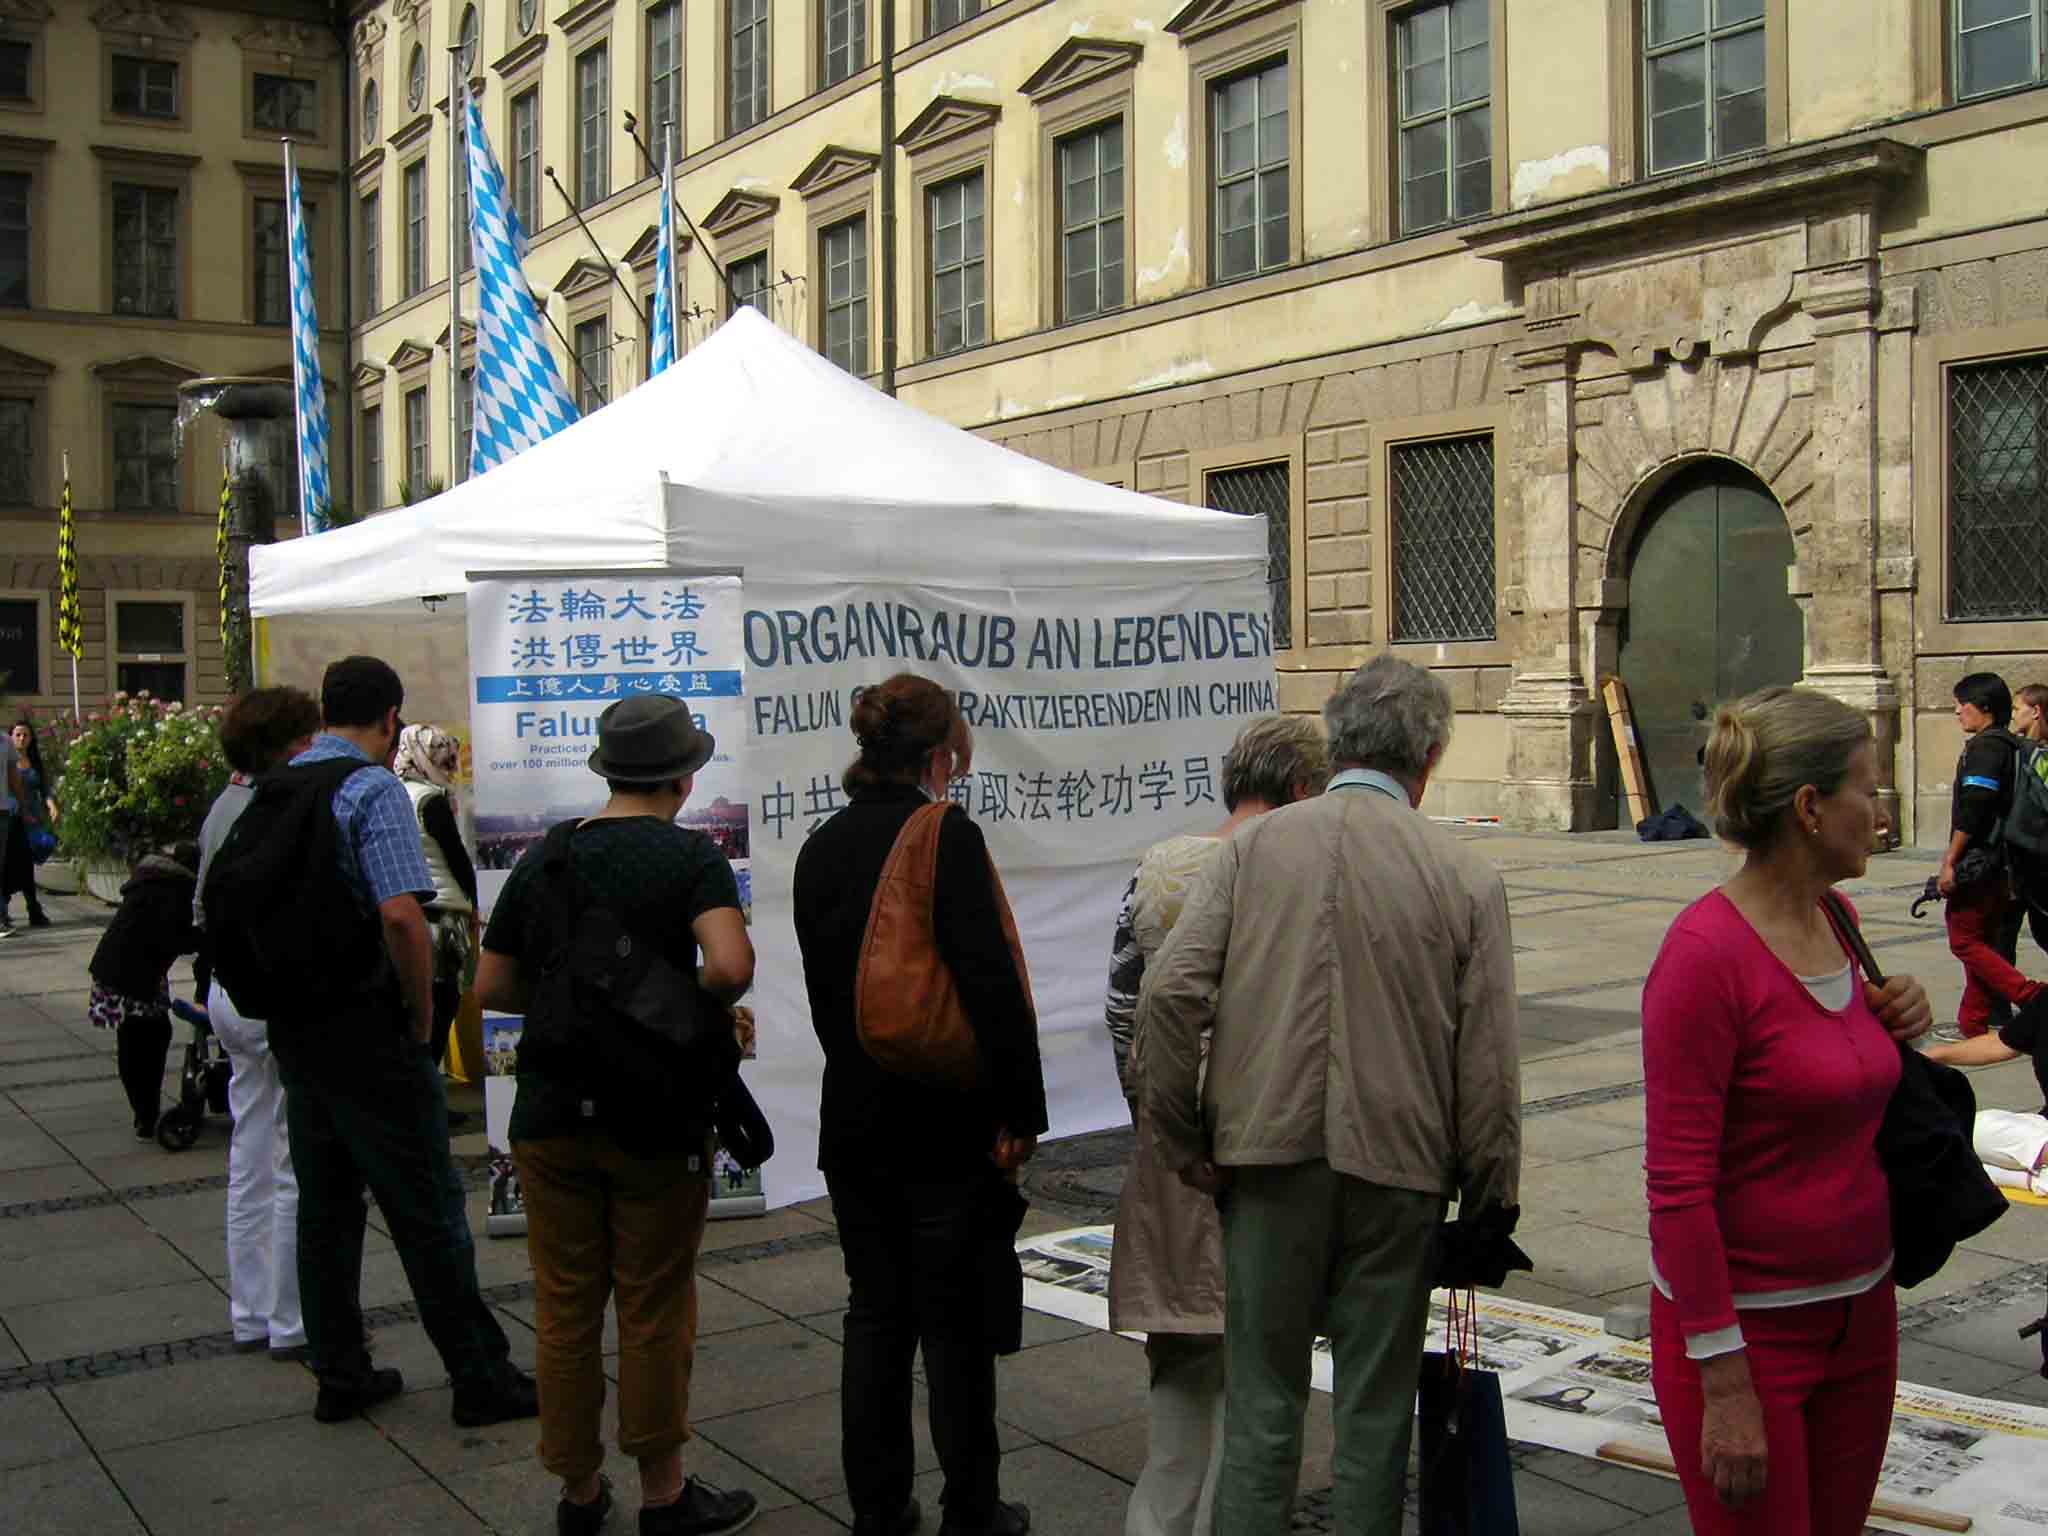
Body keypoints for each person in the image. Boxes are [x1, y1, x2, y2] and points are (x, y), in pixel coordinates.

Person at [1141, 655, 1521, 1536]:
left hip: (1265, 1157)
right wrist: (1490, 1198)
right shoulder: (1464, 874)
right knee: (1375, 1416)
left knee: (1262, 1408)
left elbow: (1168, 995)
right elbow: (1489, 1062)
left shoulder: (1253, 850)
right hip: (1399, 1167)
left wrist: (1183, 1138)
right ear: (1429, 759)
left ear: (1336, 742)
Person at [1643, 686, 1933, 1534]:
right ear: (1810, 808)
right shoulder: (1704, 957)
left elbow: (1830, 1076)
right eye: (1867, 789)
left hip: (1861, 1315)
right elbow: (1677, 1190)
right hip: (1748, 1341)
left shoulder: (1837, 918)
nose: (1881, 812)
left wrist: (1896, 1018)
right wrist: (1724, 1381)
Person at [476, 696, 761, 1536]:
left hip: (551, 1114)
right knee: (653, 1304)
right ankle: (664, 1494)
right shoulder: (692, 858)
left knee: (565, 1308)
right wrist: (679, 999)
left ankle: (578, 1493)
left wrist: (570, 998)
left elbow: (491, 987)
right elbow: (731, 968)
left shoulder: (548, 857)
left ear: (608, 771)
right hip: (656, 1116)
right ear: (685, 777)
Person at [793, 673, 1047, 1536]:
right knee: (954, 1325)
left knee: (875, 1313)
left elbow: (832, 996)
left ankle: (878, 1507)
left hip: (854, 1120)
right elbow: (990, 985)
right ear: (942, 755)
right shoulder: (946, 837)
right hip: (942, 1124)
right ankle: (971, 1506)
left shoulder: (821, 846)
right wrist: (1022, 1111)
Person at [264, 655, 537, 1428]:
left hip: (299, 1031)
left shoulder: (279, 783)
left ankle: (340, 1373)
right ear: (391, 718)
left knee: (325, 1211)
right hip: (370, 1034)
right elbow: (399, 916)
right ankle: (478, 1376)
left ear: (324, 710)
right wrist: (419, 1020)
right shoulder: (370, 787)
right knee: (426, 1209)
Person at [1102, 714, 1329, 1536]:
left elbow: (1122, 1009)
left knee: (1178, 1376)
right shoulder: (1295, 876)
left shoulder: (1160, 865)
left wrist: (1157, 1122)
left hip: (1170, 1150)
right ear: (1301, 788)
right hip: (1263, 1149)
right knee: (1254, 1387)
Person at [196, 687, 323, 1362]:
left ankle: (250, 1311)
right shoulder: (279, 808)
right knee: (290, 1157)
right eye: (309, 736)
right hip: (272, 994)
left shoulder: (225, 803)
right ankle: (292, 1319)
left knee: (250, 1153)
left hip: (227, 990)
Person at [1939, 672, 2039, 1039]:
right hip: (2004, 863)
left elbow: (1975, 807)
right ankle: (1974, 1024)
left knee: (1964, 940)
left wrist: (1950, 859)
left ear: (1983, 707)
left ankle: (2031, 995)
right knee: (1981, 942)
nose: (1957, 712)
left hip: (1981, 862)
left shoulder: (1986, 749)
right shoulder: (2012, 745)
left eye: (1961, 704)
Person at [88, 841, 204, 1139]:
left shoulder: (151, 878)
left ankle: (143, 1113)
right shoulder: (176, 888)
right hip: (137, 976)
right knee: (152, 1037)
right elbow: (175, 937)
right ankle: (146, 1112)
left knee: (132, 1040)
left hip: (112, 969)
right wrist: (206, 938)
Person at [393, 724, 479, 1069]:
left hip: (407, 910)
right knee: (442, 1006)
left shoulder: (392, 794)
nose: (450, 768)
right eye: (443, 760)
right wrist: (475, 899)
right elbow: (457, 859)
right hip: (443, 917)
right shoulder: (432, 801)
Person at [3, 719, 54, 929]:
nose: (22, 738)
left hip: (32, 820)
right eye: (18, 735)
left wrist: (52, 805)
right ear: (11, 737)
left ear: (31, 739)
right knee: (15, 864)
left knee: (25, 864)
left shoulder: (34, 762)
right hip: (13, 819)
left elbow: (45, 788)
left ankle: (28, 908)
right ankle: (27, 908)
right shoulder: (6, 761)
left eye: (26, 735)